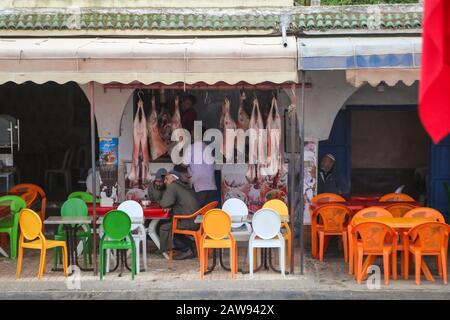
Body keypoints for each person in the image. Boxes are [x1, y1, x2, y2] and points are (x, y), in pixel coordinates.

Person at [148, 170, 200, 260]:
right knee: (169, 224)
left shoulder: (172, 186)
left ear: (173, 178)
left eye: (166, 179)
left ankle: (186, 249)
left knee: (163, 227)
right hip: (195, 220)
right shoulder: (183, 186)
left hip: (188, 221)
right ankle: (192, 245)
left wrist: (167, 204)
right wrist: (169, 205)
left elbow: (165, 203)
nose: (165, 181)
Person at [186, 135, 218, 207]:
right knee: (208, 214)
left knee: (196, 213)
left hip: (199, 187)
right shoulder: (209, 148)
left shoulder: (191, 148)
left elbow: (184, 164)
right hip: (211, 186)